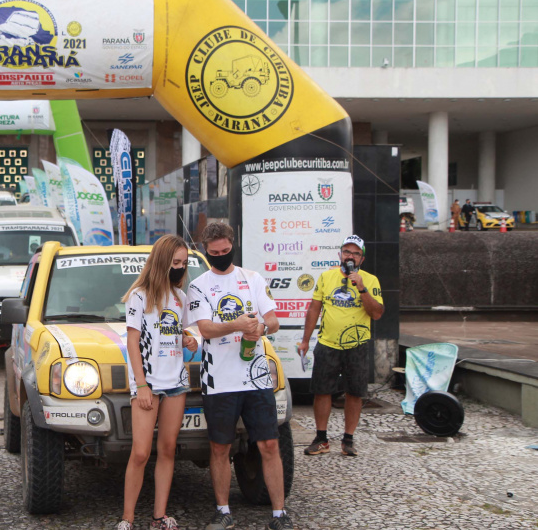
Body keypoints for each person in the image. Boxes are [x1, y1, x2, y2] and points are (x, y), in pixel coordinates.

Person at [185, 222, 288, 530]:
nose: (220, 256)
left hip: (256, 378)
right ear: (206, 251)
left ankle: (280, 514)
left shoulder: (252, 279)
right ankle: (222, 510)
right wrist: (238, 324)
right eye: (214, 253)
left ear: (233, 245)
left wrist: (261, 328)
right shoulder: (199, 286)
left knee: (269, 444)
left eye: (226, 251)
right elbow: (204, 328)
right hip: (218, 380)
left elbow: (273, 319)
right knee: (220, 447)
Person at [114, 235, 199, 530]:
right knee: (140, 452)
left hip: (176, 381)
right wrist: (141, 385)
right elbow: (133, 342)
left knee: (168, 449)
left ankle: (158, 517)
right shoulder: (140, 295)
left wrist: (188, 339)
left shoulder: (181, 297)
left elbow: (182, 332)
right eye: (175, 262)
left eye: (183, 263)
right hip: (147, 382)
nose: (179, 268)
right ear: (162, 261)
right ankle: (127, 518)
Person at [298, 235, 384, 458]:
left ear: (361, 259)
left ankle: (348, 439)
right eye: (347, 251)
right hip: (327, 343)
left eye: (355, 253)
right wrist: (306, 340)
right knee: (322, 391)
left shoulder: (371, 280)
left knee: (354, 392)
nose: (350, 256)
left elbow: (376, 313)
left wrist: (362, 288)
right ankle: (321, 438)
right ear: (340, 254)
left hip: (357, 344)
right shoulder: (326, 277)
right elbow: (314, 309)